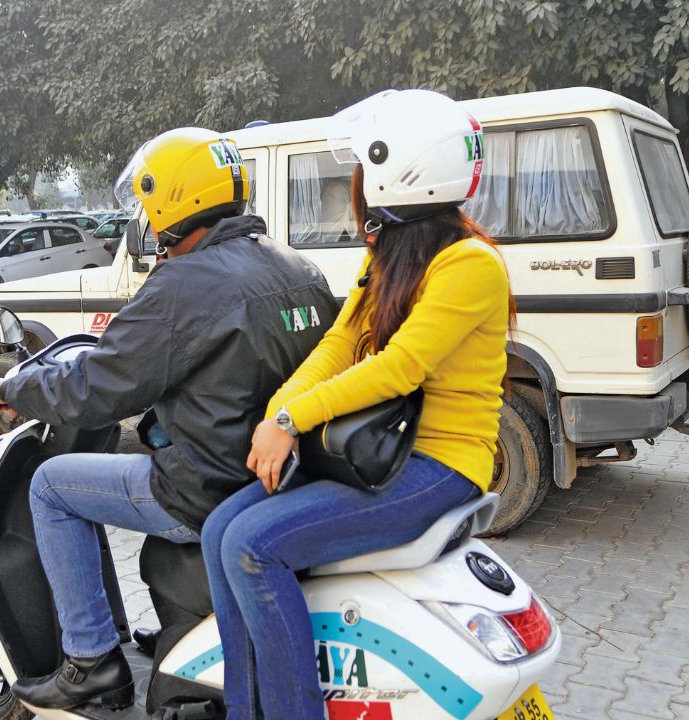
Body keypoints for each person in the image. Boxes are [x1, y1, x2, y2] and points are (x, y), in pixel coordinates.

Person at [0, 127, 337, 710]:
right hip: (278, 480)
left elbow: (97, 386)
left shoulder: (184, 283)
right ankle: (162, 633)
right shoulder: (297, 266)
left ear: (173, 202)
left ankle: (91, 659)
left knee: (51, 486)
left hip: (206, 487)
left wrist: (12, 387)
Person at [201, 90, 515, 719]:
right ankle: (245, 708)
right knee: (217, 532)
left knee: (252, 545)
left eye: (365, 167)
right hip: (382, 455)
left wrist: (292, 419)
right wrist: (277, 415)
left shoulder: (471, 264)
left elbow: (398, 367)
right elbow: (339, 345)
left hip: (441, 465)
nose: (358, 185)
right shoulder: (390, 254)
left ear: (398, 170)